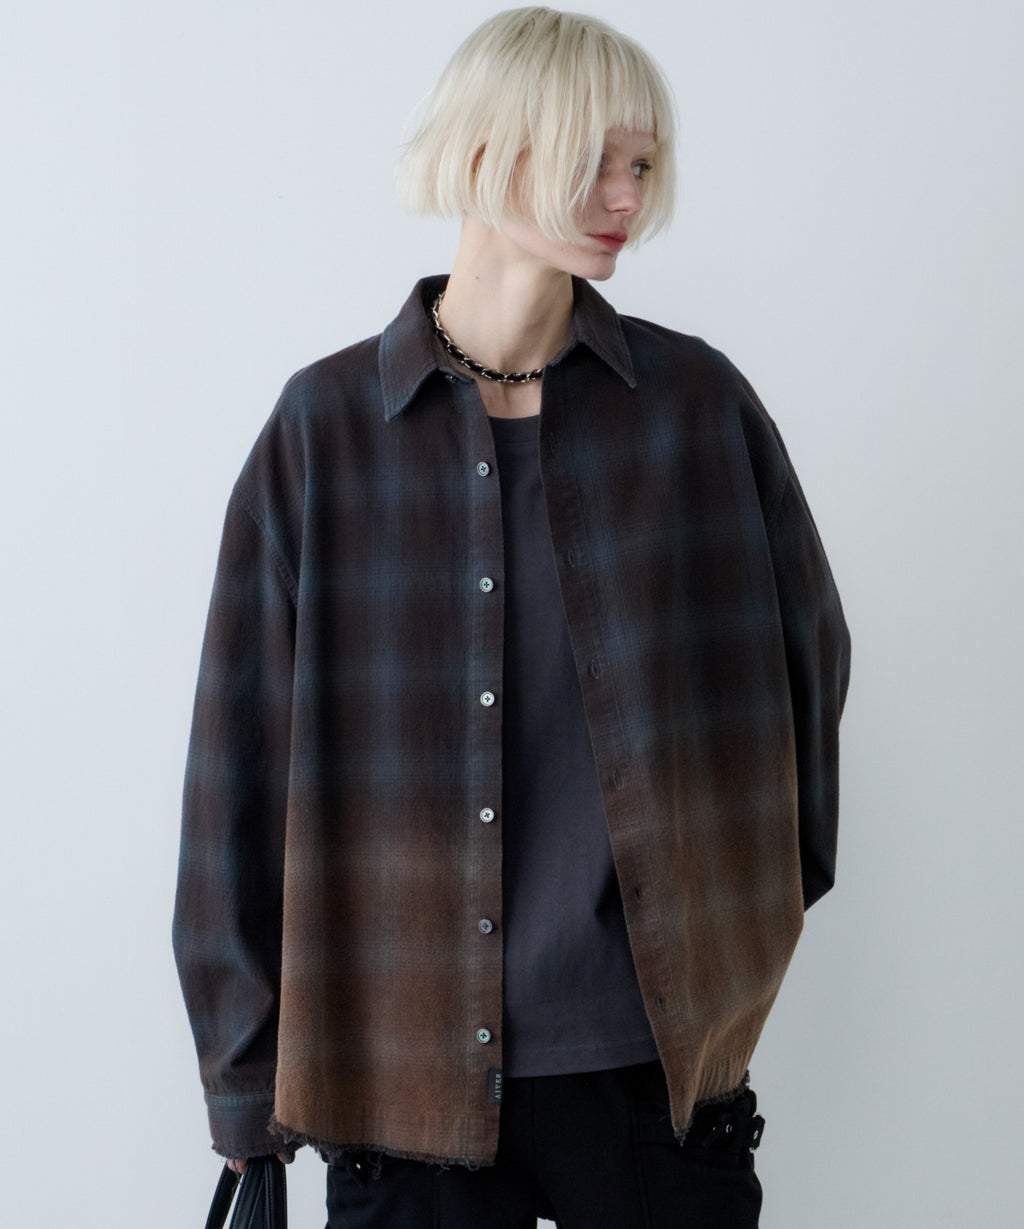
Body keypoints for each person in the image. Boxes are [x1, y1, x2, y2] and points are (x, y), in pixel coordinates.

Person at [173, 8, 851, 1228]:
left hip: (651, 1081)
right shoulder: (326, 433)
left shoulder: (696, 409)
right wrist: (244, 1084)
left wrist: (735, 932)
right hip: (400, 1086)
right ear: (488, 150)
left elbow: (808, 673)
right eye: (595, 158)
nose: (626, 195)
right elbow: (237, 772)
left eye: (641, 163)